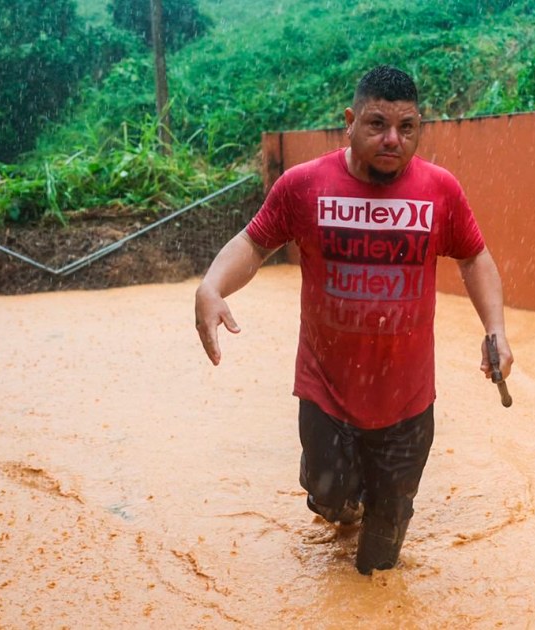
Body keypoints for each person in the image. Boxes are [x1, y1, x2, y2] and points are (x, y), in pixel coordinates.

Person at [194, 64, 513, 575]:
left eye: (407, 128)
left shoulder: (440, 191)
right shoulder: (304, 186)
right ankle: (337, 494)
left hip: (407, 406)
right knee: (331, 501)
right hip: (328, 395)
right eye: (377, 124)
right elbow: (254, 243)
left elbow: (474, 258)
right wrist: (212, 287)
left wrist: (494, 329)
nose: (393, 139)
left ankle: (375, 511)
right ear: (349, 121)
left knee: (379, 567)